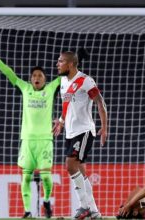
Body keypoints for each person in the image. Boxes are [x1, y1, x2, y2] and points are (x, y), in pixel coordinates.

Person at [0, 48, 60, 218]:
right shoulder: (25, 88)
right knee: (25, 178)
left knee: (47, 177)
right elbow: (10, 74)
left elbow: (66, 74)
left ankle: (47, 200)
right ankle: (28, 211)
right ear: (30, 79)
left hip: (45, 140)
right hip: (27, 141)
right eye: (34, 75)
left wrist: (78, 57)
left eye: (40, 75)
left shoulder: (50, 90)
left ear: (45, 79)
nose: (36, 78)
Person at [52, 50, 108, 219]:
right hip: (70, 132)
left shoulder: (86, 81)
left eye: (60, 61)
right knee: (81, 171)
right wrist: (61, 121)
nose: (57, 64)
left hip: (84, 131)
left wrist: (104, 128)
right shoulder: (63, 81)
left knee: (70, 165)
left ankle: (83, 207)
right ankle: (95, 212)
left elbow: (100, 102)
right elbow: (66, 104)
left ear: (70, 64)